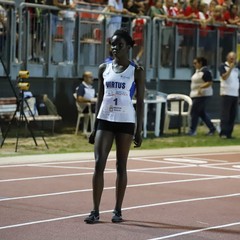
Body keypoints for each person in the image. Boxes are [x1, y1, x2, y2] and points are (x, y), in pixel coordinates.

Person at [84, 28, 144, 224]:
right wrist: (94, 127)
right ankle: (95, 210)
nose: (115, 48)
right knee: (99, 164)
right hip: (105, 119)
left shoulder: (136, 71)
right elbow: (100, 98)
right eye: (113, 44)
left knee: (121, 166)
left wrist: (139, 129)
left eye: (119, 45)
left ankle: (118, 210)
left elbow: (140, 102)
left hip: (126, 121)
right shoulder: (104, 69)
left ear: (129, 47)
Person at [188, 57, 216, 136]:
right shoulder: (198, 72)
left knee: (194, 112)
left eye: (195, 63)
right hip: (195, 95)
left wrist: (201, 87)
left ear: (200, 63)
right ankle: (212, 128)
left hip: (203, 95)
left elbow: (209, 82)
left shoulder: (205, 71)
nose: (194, 65)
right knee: (201, 113)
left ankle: (192, 130)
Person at [218, 51, 239, 139]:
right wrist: (230, 69)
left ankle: (229, 133)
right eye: (231, 58)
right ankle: (223, 133)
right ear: (227, 58)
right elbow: (224, 77)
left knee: (232, 115)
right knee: (225, 114)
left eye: (234, 58)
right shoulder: (223, 66)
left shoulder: (237, 69)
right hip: (226, 93)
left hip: (235, 94)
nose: (232, 60)